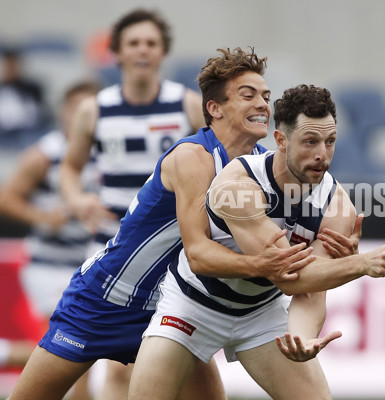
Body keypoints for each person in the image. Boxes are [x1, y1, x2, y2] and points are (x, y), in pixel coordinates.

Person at [8, 47, 359, 400]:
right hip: (106, 297)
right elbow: (200, 254)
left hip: (174, 303)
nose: (263, 105)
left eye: (266, 97)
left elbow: (278, 239)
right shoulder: (193, 157)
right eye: (248, 95)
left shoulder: (262, 165)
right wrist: (264, 265)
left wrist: (328, 248)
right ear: (214, 108)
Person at [128, 84, 385, 400]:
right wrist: (361, 263)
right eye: (310, 141)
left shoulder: (338, 206)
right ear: (281, 140)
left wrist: (302, 338)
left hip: (260, 313)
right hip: (193, 305)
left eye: (330, 142)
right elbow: (288, 276)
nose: (322, 154)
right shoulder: (238, 186)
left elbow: (309, 294)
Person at [57, 8, 206, 399]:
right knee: (114, 369)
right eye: (134, 43)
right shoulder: (94, 109)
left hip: (172, 254)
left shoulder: (187, 105)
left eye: (151, 43)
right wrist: (77, 199)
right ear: (118, 52)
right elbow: (70, 168)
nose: (143, 51)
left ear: (163, 52)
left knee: (181, 365)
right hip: (113, 248)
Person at [0, 81, 99, 400]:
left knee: (72, 352)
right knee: (73, 349)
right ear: (64, 112)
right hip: (51, 266)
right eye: (76, 108)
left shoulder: (109, 151)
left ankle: (4, 353)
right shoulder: (45, 154)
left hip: (93, 266)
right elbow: (7, 198)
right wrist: (43, 217)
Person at [0, 46, 49, 148]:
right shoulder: (3, 88)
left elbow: (39, 112)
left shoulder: (32, 88)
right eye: (8, 65)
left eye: (13, 65)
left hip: (27, 130)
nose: (11, 69)